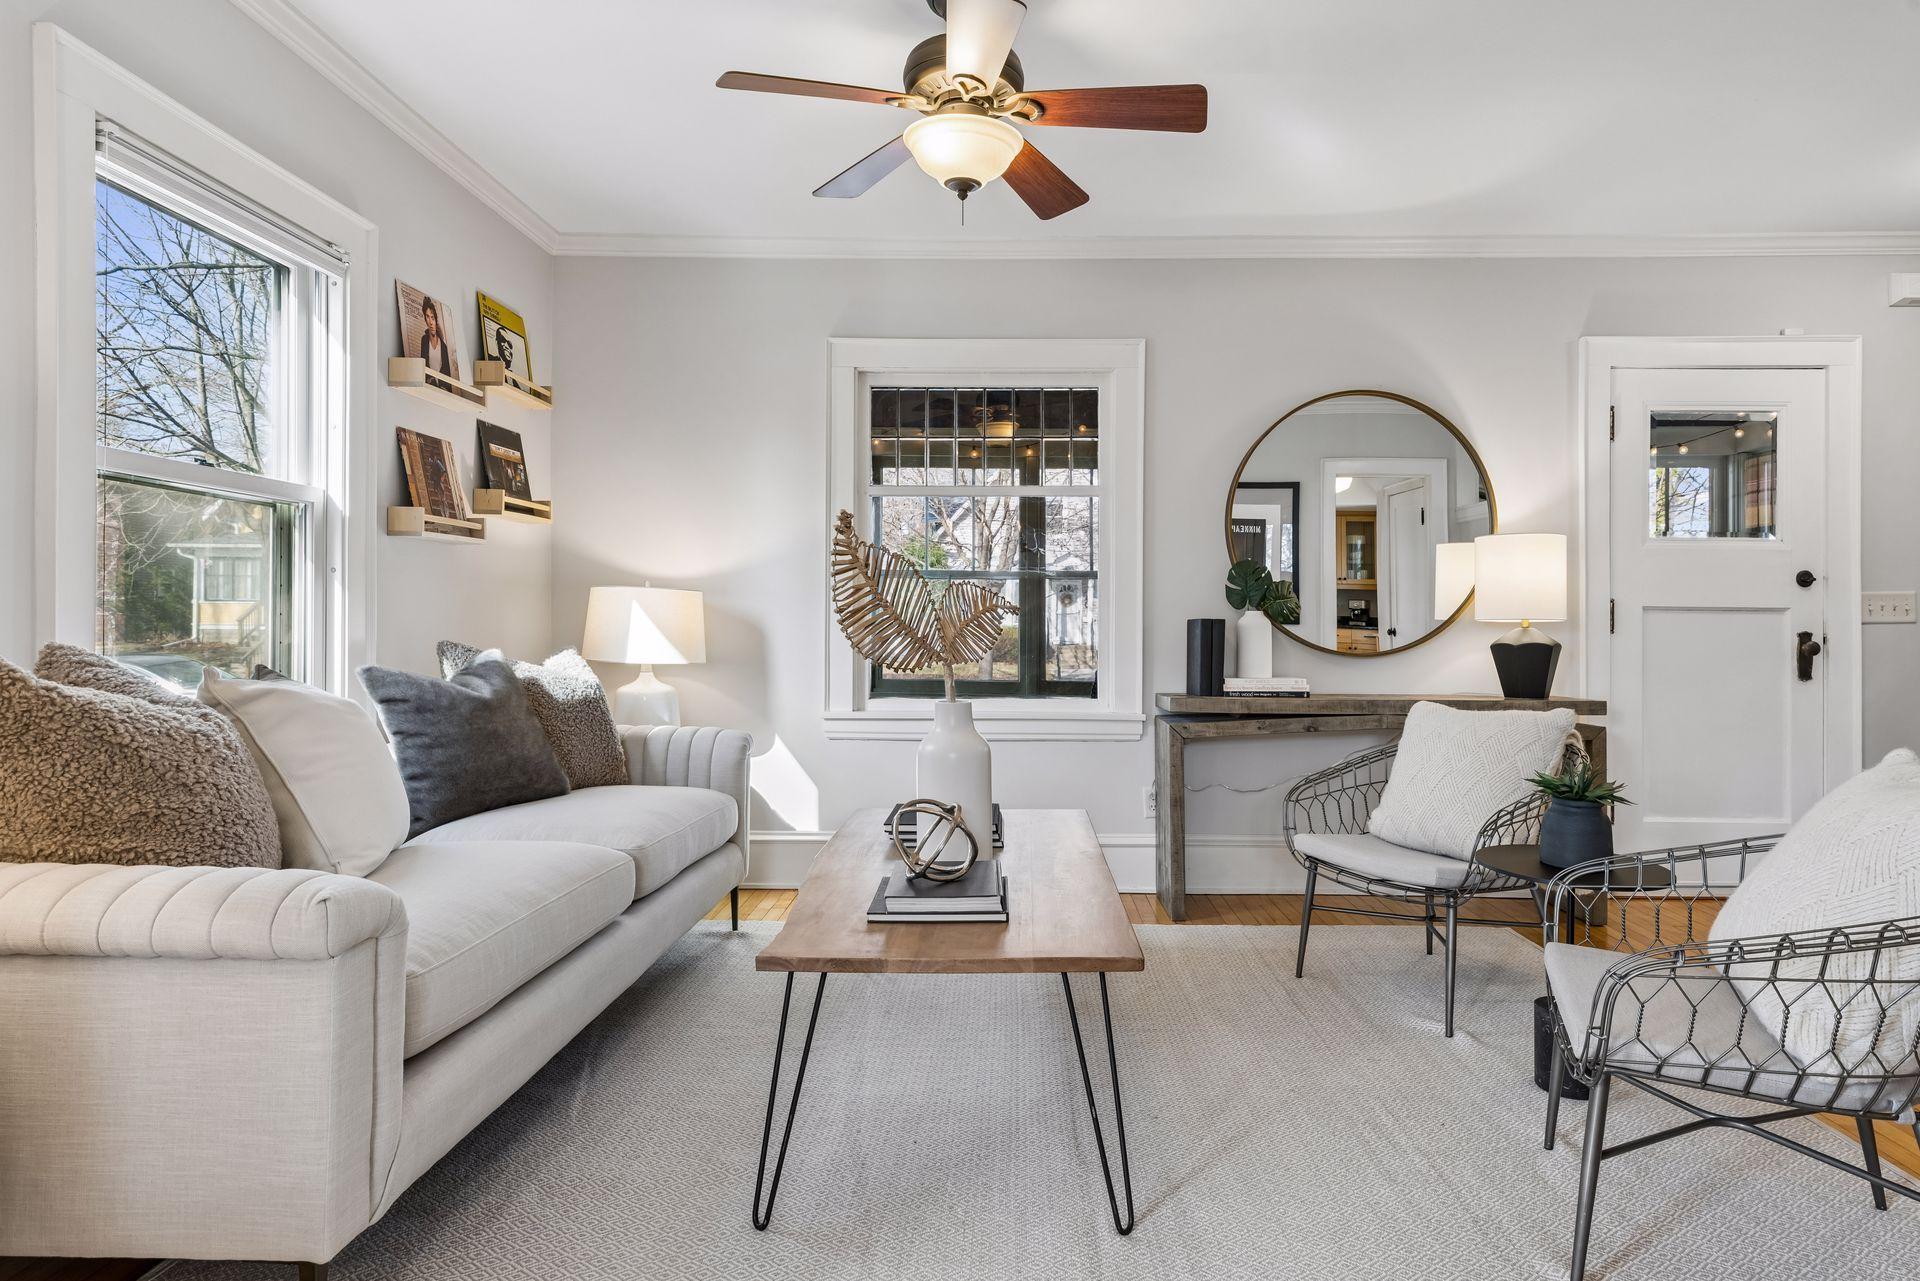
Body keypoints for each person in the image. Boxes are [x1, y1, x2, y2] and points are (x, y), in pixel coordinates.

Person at [418, 297, 454, 375]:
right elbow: (423, 368)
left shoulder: (444, 347)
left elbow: (447, 375)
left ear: (435, 320)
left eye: (432, 318)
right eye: (427, 317)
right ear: (425, 319)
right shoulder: (424, 340)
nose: (430, 322)